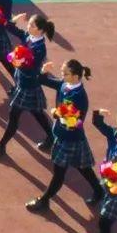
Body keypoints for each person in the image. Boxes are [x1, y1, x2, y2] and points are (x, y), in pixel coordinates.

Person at [24, 59, 101, 214]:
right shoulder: (64, 85)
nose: (62, 75)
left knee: (59, 173)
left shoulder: (79, 96)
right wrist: (43, 71)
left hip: (71, 138)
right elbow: (42, 80)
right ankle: (99, 191)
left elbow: (75, 122)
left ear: (76, 76)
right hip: (64, 135)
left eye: (65, 73)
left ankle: (44, 200)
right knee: (82, 167)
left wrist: (57, 114)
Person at [0, 12, 55, 160]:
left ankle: (1, 146)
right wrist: (11, 21)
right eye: (29, 23)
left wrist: (19, 62)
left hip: (28, 86)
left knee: (14, 116)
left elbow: (33, 68)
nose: (29, 26)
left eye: (32, 25)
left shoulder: (40, 48)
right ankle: (52, 137)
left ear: (41, 31)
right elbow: (14, 30)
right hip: (23, 83)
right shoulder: (29, 38)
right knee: (37, 112)